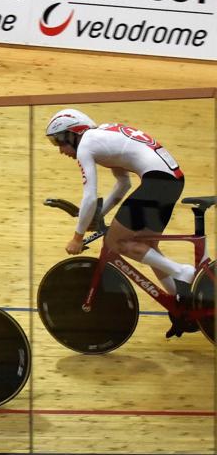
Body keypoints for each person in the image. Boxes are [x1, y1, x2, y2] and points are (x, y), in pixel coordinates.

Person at [45, 108, 196, 336]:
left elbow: (88, 195)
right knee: (147, 248)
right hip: (170, 180)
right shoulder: (103, 135)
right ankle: (185, 307)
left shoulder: (87, 144)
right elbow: (123, 185)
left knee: (116, 242)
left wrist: (78, 236)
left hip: (157, 181)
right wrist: (99, 215)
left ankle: (182, 271)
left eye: (60, 142)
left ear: (73, 134)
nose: (60, 150)